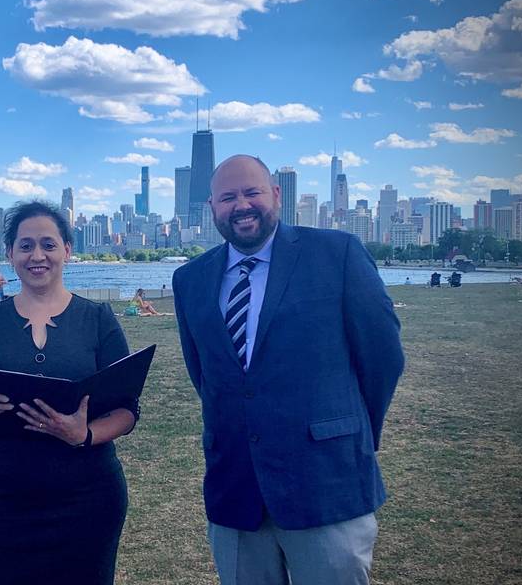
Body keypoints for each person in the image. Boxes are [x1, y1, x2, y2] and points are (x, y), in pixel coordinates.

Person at [172, 155, 404, 584]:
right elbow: (205, 376)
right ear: (212, 208)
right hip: (236, 488)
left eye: (251, 192)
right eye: (228, 197)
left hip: (326, 481)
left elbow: (383, 356)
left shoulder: (338, 254)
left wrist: (353, 431)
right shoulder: (190, 279)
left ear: (276, 195)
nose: (241, 205)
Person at [0, 200, 138, 584]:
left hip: (88, 498)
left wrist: (85, 434)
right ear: (10, 253)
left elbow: (128, 411)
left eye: (48, 244)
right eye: (25, 245)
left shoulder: (98, 319)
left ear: (67, 249)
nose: (37, 255)